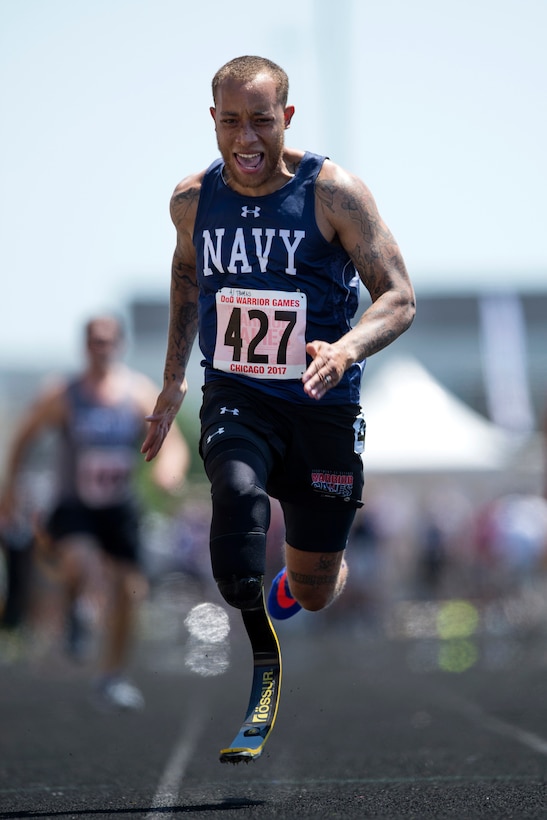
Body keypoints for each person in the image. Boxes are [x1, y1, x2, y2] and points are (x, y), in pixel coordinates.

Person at [141, 55, 415, 626]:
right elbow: (187, 273)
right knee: (238, 491)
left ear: (286, 116)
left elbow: (398, 297)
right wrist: (173, 379)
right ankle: (247, 613)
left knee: (316, 590)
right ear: (213, 119)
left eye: (261, 121)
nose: (246, 138)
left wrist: (346, 349)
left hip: (322, 404)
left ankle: (301, 578)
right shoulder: (191, 201)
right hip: (238, 393)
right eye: (231, 121)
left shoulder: (334, 194)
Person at [0, 315, 190, 708]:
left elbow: (171, 441)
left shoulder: (136, 393)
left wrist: (169, 472)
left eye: (108, 340)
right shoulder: (63, 394)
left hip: (119, 508)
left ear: (119, 344)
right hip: (74, 505)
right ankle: (80, 609)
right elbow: (24, 437)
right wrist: (11, 488)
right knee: (79, 559)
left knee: (130, 590)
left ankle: (112, 676)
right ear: (85, 346)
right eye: (94, 341)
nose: (101, 348)